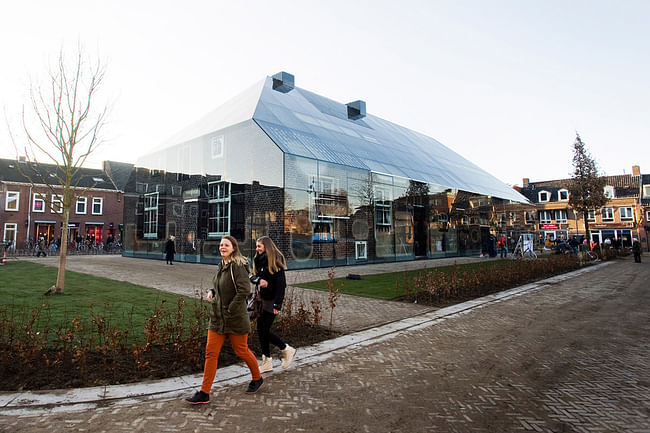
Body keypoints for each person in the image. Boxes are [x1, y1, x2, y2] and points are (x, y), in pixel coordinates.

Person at [186, 236, 263, 404]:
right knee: (210, 354)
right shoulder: (222, 265)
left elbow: (244, 290)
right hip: (217, 318)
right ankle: (204, 393)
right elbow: (221, 284)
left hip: (234, 318)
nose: (222, 247)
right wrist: (212, 291)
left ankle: (257, 378)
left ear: (234, 248)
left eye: (226, 245)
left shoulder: (238, 266)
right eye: (221, 245)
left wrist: (230, 308)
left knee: (241, 351)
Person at [252, 236, 296, 374]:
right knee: (261, 329)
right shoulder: (258, 260)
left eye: (259, 246)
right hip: (262, 299)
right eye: (256, 246)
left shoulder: (276, 263)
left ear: (267, 247)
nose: (257, 248)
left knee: (264, 329)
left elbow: (281, 286)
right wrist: (259, 280)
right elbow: (253, 276)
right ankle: (267, 362)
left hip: (272, 301)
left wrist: (277, 305)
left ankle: (286, 349)